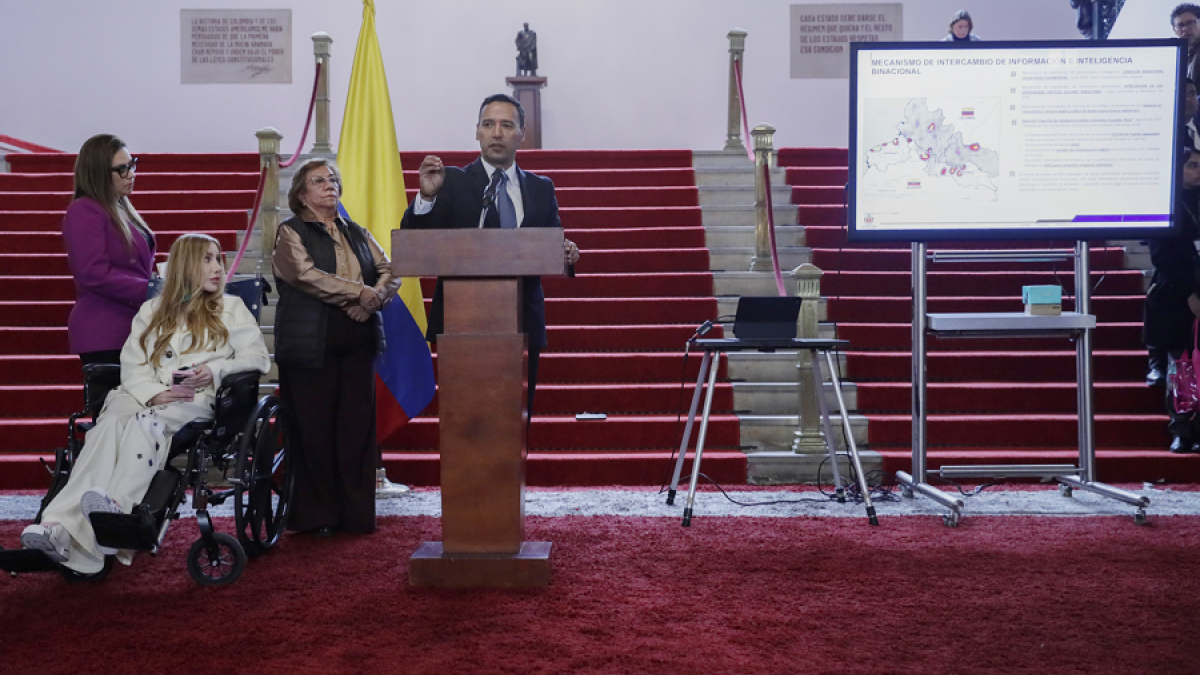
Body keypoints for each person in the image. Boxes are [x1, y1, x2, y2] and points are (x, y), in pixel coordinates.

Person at [20, 234, 270, 573]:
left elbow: (257, 358)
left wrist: (214, 370)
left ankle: (114, 511)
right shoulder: (152, 311)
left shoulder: (231, 308)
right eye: (207, 259)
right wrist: (153, 393)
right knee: (105, 428)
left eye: (218, 260)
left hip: (192, 398)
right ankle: (56, 525)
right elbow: (133, 365)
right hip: (142, 394)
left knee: (144, 424)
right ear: (185, 266)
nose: (217, 268)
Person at [401, 93, 580, 413]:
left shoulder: (541, 188)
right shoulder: (451, 182)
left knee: (515, 419)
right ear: (477, 132)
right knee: (465, 421)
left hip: (523, 321)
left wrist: (565, 252)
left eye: (506, 125)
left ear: (522, 133)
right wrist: (425, 198)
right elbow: (416, 241)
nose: (496, 133)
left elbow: (552, 246)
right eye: (488, 124)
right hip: (460, 324)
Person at [272, 158, 401, 536]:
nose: (330, 185)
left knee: (356, 429)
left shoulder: (356, 230)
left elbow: (390, 270)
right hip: (311, 342)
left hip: (359, 337)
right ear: (301, 194)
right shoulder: (290, 231)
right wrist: (359, 294)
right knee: (315, 429)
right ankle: (318, 517)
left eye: (333, 179)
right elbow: (304, 275)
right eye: (319, 181)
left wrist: (373, 300)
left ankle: (355, 515)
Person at [62, 134, 157, 368]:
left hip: (134, 324)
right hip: (106, 329)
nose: (131, 174)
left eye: (132, 165)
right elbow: (93, 274)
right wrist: (153, 290)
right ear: (98, 173)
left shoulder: (120, 207)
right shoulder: (84, 210)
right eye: (122, 169)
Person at [1144, 148, 1200, 453]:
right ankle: (1182, 428)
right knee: (1183, 367)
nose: (1198, 171)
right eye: (1192, 165)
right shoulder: (1163, 203)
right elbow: (1162, 257)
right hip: (1177, 295)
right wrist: (1190, 293)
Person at [1172, 3, 1200, 86]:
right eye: (1180, 25)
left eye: (1190, 23)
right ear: (1174, 30)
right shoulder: (1177, 55)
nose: (1185, 28)